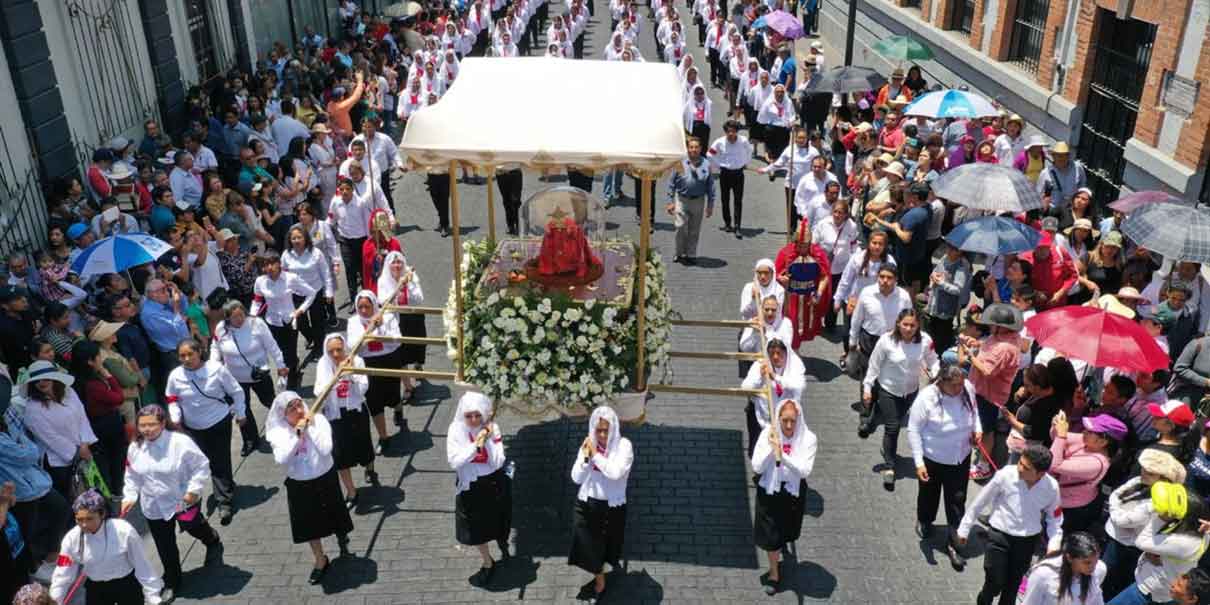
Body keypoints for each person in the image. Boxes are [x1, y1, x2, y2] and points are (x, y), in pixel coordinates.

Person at [121, 405, 222, 603]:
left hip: (181, 500)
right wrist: (130, 495)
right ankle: (173, 580)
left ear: (162, 422)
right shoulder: (135, 447)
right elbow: (132, 476)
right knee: (165, 545)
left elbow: (201, 466)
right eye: (142, 425)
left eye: (152, 424)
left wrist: (193, 491)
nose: (147, 429)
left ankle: (211, 539)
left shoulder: (180, 442)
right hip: (153, 505)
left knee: (193, 527)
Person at [265, 391, 354, 585]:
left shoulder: (319, 420)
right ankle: (320, 559)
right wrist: (297, 435)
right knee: (308, 524)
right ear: (283, 414)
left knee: (335, 512)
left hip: (324, 475)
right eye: (292, 408)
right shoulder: (277, 432)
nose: (298, 410)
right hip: (300, 482)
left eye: (299, 405)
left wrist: (311, 427)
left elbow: (325, 449)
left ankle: (341, 535)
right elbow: (281, 459)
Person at [957, 444, 1062, 605]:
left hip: (1026, 542)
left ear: (1040, 474)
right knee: (994, 581)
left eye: (1026, 468)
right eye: (1020, 462)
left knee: (1012, 588)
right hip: (999, 535)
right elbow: (980, 502)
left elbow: (1055, 519)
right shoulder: (1005, 474)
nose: (1019, 468)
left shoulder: (1052, 488)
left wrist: (1054, 545)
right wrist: (964, 528)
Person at [164, 339, 244, 525]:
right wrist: (175, 418)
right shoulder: (175, 376)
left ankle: (224, 502)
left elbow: (236, 392)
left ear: (199, 352)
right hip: (192, 427)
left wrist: (240, 413)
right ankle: (198, 498)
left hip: (218, 422)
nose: (186, 359)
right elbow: (172, 398)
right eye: (182, 356)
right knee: (197, 462)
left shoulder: (217, 369)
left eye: (190, 354)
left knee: (219, 460)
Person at [907, 365, 980, 570]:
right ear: (942, 381)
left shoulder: (968, 389)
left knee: (957, 500)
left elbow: (975, 413)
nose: (959, 389)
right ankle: (925, 520)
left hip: (960, 457)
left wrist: (977, 430)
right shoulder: (926, 398)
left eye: (961, 384)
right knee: (929, 494)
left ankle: (953, 543)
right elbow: (913, 430)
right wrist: (919, 462)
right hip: (933, 457)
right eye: (954, 385)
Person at [862, 308, 940, 489]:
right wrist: (867, 387)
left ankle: (872, 420)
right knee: (893, 426)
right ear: (898, 323)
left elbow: (933, 360)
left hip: (910, 392)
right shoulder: (886, 341)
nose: (908, 328)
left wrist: (935, 373)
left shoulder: (925, 341)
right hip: (887, 389)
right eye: (905, 324)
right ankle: (890, 466)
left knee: (891, 417)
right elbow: (874, 365)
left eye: (912, 325)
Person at [50, 489, 164, 605]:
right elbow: (62, 572)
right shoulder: (70, 539)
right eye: (79, 520)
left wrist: (153, 595)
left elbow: (142, 563)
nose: (84, 524)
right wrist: (54, 601)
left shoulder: (124, 531)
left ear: (102, 514)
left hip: (126, 585)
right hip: (96, 588)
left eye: (89, 519)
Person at [751, 399, 817, 596]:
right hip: (770, 491)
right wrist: (771, 450)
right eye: (785, 420)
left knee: (786, 532)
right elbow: (757, 467)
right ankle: (774, 572)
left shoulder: (809, 439)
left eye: (793, 421)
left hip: (792, 494)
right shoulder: (768, 434)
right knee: (771, 536)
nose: (789, 426)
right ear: (778, 418)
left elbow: (804, 470)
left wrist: (784, 456)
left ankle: (780, 550)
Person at [446, 392, 512, 587]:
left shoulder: (493, 428)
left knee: (500, 519)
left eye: (477, 415)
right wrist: (476, 445)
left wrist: (490, 441)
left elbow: (498, 461)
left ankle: (502, 542)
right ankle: (488, 561)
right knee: (474, 529)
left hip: (494, 483)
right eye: (469, 416)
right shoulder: (455, 430)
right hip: (470, 486)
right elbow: (454, 461)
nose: (474, 420)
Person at [569, 406, 634, 602]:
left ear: (613, 428)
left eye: (606, 430)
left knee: (607, 545)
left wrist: (596, 454)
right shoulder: (588, 445)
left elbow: (615, 473)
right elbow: (576, 478)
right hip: (587, 502)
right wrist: (585, 460)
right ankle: (600, 579)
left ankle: (602, 573)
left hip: (611, 507)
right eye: (598, 430)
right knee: (588, 543)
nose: (603, 434)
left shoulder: (624, 446)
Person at [1102, 450, 1187, 599]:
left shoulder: (1158, 504)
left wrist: (1115, 510)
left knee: (1113, 580)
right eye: (1143, 469)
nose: (1143, 473)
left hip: (1129, 547)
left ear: (1164, 479)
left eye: (1150, 473)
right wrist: (1116, 509)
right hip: (1115, 538)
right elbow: (1115, 494)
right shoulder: (1138, 481)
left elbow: (1121, 520)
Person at [1108, 483, 1209, 605]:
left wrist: (1162, 518)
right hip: (1153, 587)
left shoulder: (1186, 542)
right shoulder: (1200, 534)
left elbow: (1142, 542)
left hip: (1145, 594)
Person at [959, 303, 1025, 480]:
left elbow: (988, 371)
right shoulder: (1004, 336)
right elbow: (989, 345)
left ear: (1001, 326)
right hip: (980, 390)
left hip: (988, 395)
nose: (989, 326)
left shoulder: (1005, 348)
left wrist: (970, 356)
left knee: (986, 430)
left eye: (992, 324)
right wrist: (977, 343)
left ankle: (983, 466)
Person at [210, 299, 283, 456]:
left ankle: (285, 424)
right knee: (242, 408)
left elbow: (272, 345)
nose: (239, 319)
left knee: (269, 401)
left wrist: (280, 365)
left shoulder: (257, 324)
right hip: (235, 377)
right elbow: (215, 348)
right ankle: (250, 439)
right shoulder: (221, 329)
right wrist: (214, 365)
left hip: (258, 374)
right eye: (234, 317)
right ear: (227, 317)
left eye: (241, 315)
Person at [20, 360, 97, 500]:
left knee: (92, 492)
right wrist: (78, 452)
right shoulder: (32, 409)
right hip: (59, 464)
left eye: (46, 378)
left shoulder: (69, 392)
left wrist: (85, 443)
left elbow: (82, 416)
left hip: (84, 452)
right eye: (37, 380)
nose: (41, 382)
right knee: (74, 499)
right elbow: (51, 438)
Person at [250, 249, 317, 390]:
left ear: (279, 264)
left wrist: (301, 310)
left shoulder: (291, 278)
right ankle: (290, 369)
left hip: (289, 322)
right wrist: (253, 317)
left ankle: (292, 382)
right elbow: (257, 301)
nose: (269, 268)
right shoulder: (260, 282)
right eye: (265, 265)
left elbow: (311, 293)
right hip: (272, 323)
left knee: (290, 354)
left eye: (272, 264)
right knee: (279, 353)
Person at [1049, 412, 1125, 534]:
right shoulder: (1087, 442)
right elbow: (1056, 437)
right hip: (1058, 498)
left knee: (1057, 537)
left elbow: (1053, 464)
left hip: (1072, 508)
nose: (1084, 432)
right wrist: (1056, 425)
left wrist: (1061, 436)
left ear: (1103, 442)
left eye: (1090, 431)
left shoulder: (1097, 463)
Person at [346, 289, 401, 460]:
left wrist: (380, 330)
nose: (363, 311)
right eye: (360, 307)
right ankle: (384, 436)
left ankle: (398, 409)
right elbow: (352, 346)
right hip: (367, 364)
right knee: (374, 401)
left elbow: (397, 341)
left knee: (392, 395)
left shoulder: (388, 317)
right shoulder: (353, 322)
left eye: (367, 307)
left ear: (374, 305)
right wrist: (368, 334)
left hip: (388, 360)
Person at [70, 341, 127, 500]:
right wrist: (108, 375)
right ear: (90, 361)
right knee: (115, 458)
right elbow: (119, 397)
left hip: (94, 425)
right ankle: (115, 491)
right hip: (107, 425)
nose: (101, 359)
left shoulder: (76, 380)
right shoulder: (93, 385)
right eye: (98, 356)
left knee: (105, 460)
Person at [377, 251, 426, 417]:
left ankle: (418, 364)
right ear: (388, 265)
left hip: (413, 316)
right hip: (396, 320)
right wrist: (398, 289)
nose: (397, 266)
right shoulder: (383, 280)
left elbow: (419, 299)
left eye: (399, 263)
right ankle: (408, 387)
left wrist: (409, 286)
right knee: (402, 355)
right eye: (393, 263)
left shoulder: (412, 276)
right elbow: (382, 301)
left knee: (418, 347)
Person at [774, 219, 832, 349]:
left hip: (809, 299)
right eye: (798, 244)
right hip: (791, 298)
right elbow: (775, 274)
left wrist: (819, 293)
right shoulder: (786, 253)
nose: (800, 248)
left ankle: (794, 350)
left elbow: (824, 277)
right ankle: (790, 352)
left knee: (804, 328)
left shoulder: (818, 254)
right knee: (790, 327)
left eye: (803, 245)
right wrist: (781, 278)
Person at [282, 224, 334, 364]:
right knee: (300, 322)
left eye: (299, 237)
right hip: (297, 294)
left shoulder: (316, 253)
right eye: (293, 238)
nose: (297, 240)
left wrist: (328, 292)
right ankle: (310, 337)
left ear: (305, 238)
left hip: (315, 292)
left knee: (318, 322)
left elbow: (325, 273)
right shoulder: (286, 255)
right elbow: (283, 274)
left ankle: (318, 348)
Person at [1016, 531, 1105, 605]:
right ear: (1069, 558)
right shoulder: (1043, 574)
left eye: (1096, 561)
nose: (1093, 567)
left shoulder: (1098, 570)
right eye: (1087, 563)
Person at [666, 137, 715, 265]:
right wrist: (670, 201)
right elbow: (671, 183)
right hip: (682, 199)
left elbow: (711, 186)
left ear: (701, 149)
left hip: (698, 200)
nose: (693, 150)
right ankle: (679, 253)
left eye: (696, 147)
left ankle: (691, 254)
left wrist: (710, 205)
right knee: (680, 226)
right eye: (691, 147)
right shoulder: (680, 164)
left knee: (694, 229)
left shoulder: (706, 164)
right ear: (687, 148)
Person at [707, 120, 753, 237]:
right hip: (725, 173)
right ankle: (727, 223)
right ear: (725, 132)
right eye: (729, 132)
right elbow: (710, 154)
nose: (731, 134)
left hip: (738, 173)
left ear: (737, 132)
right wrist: (718, 165)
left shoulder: (743, 141)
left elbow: (750, 151)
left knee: (738, 200)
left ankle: (737, 226)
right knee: (725, 199)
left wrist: (745, 162)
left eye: (733, 131)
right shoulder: (719, 142)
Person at [925, 241, 972, 353]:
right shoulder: (945, 258)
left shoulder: (961, 266)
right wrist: (933, 276)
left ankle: (941, 356)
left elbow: (957, 290)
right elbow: (936, 271)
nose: (949, 250)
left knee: (942, 335)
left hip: (946, 308)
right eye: (948, 247)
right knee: (933, 330)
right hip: (936, 302)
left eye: (953, 249)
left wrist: (941, 283)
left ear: (960, 251)